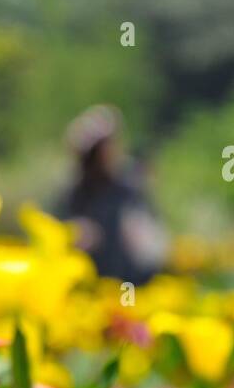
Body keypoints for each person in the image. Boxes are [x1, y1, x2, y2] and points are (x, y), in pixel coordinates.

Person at [54, 105, 165, 284]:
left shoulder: (129, 188)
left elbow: (152, 244)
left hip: (126, 284)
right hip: (83, 283)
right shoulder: (74, 190)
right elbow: (55, 229)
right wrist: (73, 233)